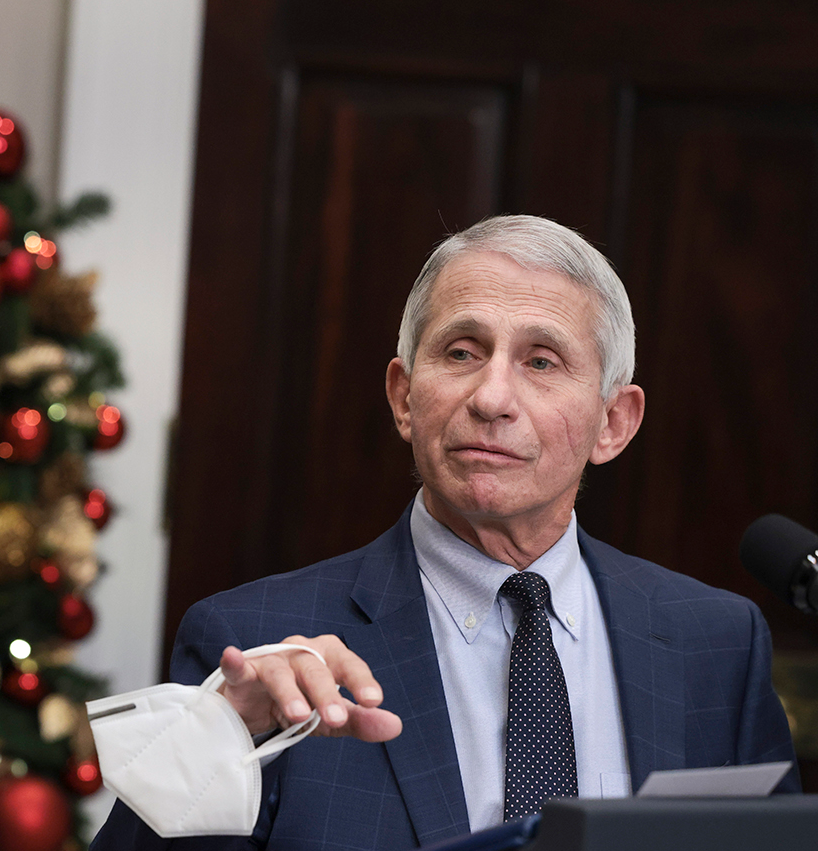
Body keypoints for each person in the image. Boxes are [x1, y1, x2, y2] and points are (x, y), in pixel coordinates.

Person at [93, 215, 798, 851]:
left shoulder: (717, 644)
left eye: (541, 361)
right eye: (462, 352)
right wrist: (220, 736)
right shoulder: (255, 642)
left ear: (613, 423)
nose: (492, 398)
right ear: (404, 396)